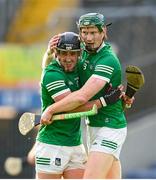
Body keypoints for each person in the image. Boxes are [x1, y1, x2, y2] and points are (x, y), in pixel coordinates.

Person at [40, 13, 133, 179]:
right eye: (84, 32)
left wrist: (50, 110)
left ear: (103, 31)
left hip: (110, 127)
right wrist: (48, 54)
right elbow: (53, 70)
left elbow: (81, 97)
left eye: (93, 32)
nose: (89, 38)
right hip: (93, 126)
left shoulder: (107, 59)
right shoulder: (80, 53)